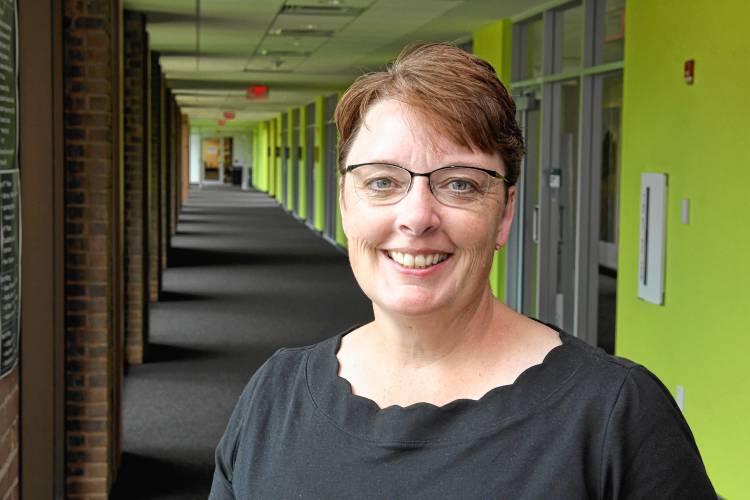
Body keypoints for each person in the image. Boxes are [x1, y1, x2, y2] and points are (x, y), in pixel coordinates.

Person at [209, 42, 716, 499]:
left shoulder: (615, 415)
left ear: (505, 213)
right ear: (345, 204)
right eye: (382, 181)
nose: (416, 217)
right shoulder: (274, 395)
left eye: (460, 185)